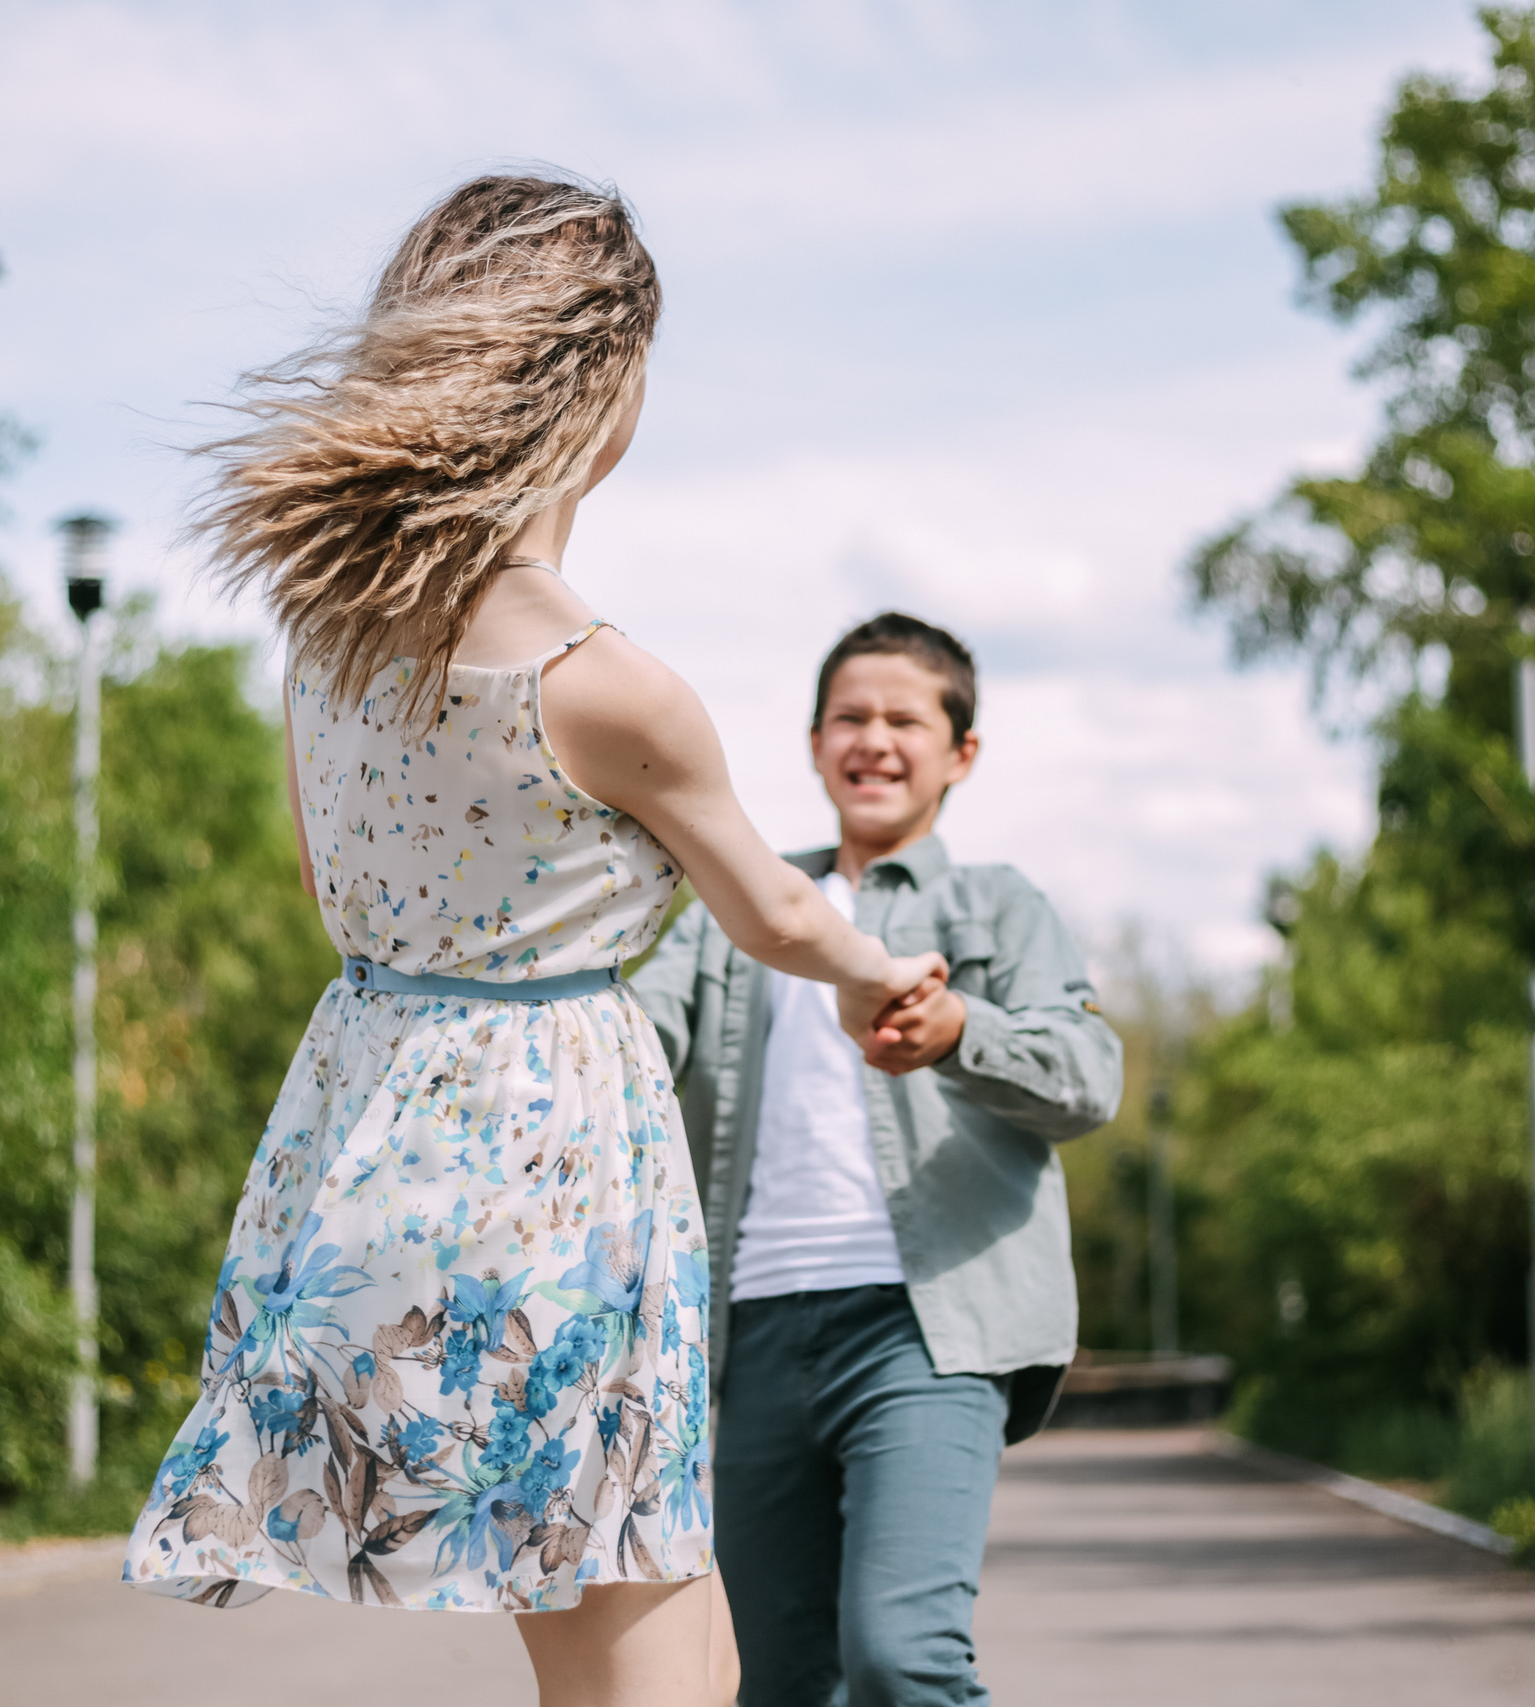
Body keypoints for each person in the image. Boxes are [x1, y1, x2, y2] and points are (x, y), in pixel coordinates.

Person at [120, 175, 947, 1707]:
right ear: (605, 382)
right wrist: (890, 970)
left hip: (368, 1137)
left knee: (681, 1625)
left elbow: (331, 891)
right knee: (627, 1655)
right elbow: (773, 910)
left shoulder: (327, 634)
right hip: (553, 1172)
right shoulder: (609, 682)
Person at [632, 614, 1123, 1707]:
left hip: (928, 1330)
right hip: (752, 1334)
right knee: (776, 1684)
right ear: (813, 744)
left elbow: (1088, 1076)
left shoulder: (995, 903)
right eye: (849, 717)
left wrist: (960, 1032)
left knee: (902, 1659)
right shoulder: (741, 919)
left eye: (906, 718)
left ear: (961, 753)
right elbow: (634, 1043)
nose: (875, 739)